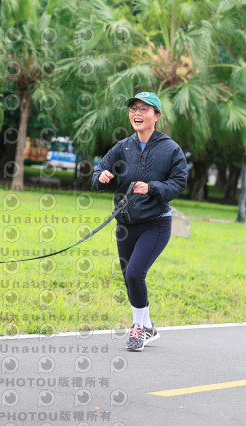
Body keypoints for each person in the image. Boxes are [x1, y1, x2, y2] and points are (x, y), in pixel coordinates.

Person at [91, 92, 187, 351]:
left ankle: (138, 328)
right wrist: (102, 178)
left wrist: (152, 188)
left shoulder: (171, 149)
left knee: (135, 273)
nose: (137, 113)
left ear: (156, 116)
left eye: (144, 109)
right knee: (129, 277)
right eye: (134, 108)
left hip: (155, 223)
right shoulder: (122, 147)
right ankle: (148, 328)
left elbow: (178, 183)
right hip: (125, 224)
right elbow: (98, 173)